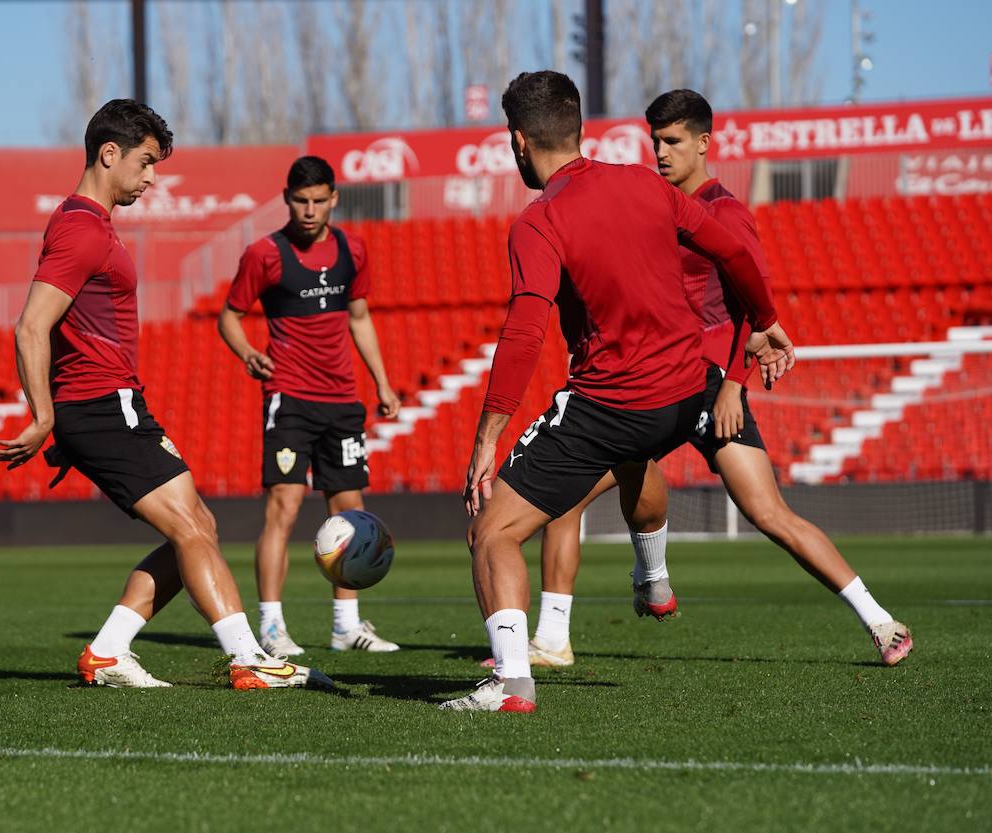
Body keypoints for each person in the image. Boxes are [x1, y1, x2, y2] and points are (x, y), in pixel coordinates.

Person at [520, 89, 912, 670]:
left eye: (673, 140)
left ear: (705, 143)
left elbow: (753, 294)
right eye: (654, 140)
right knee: (574, 498)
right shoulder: (648, 201)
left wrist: (733, 384)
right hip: (649, 379)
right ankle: (568, 629)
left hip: (706, 385)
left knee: (767, 514)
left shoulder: (724, 211)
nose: (660, 152)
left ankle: (880, 621)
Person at [440, 71, 793, 713]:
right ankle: (653, 579)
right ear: (578, 130)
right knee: (632, 463)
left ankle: (512, 682)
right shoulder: (641, 182)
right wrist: (766, 323)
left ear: (518, 142)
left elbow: (524, 332)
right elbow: (736, 252)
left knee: (491, 532)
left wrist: (487, 438)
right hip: (688, 397)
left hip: (613, 402)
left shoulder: (540, 219)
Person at [0, 99, 331, 691]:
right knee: (193, 530)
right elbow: (30, 325)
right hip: (101, 404)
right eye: (146, 163)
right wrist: (47, 415)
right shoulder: (80, 229)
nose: (151, 178)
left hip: (110, 401)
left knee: (196, 527)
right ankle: (250, 661)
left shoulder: (89, 224)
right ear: (109, 154)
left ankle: (107, 651)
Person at [218, 156, 403, 657]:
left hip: (343, 401)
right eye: (301, 200)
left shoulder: (352, 249)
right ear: (286, 199)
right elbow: (230, 316)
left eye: (319, 200)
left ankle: (347, 626)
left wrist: (382, 383)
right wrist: (248, 353)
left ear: (334, 199)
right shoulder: (266, 255)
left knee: (352, 515)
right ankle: (272, 627)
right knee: (284, 509)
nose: (309, 210)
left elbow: (360, 318)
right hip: (290, 398)